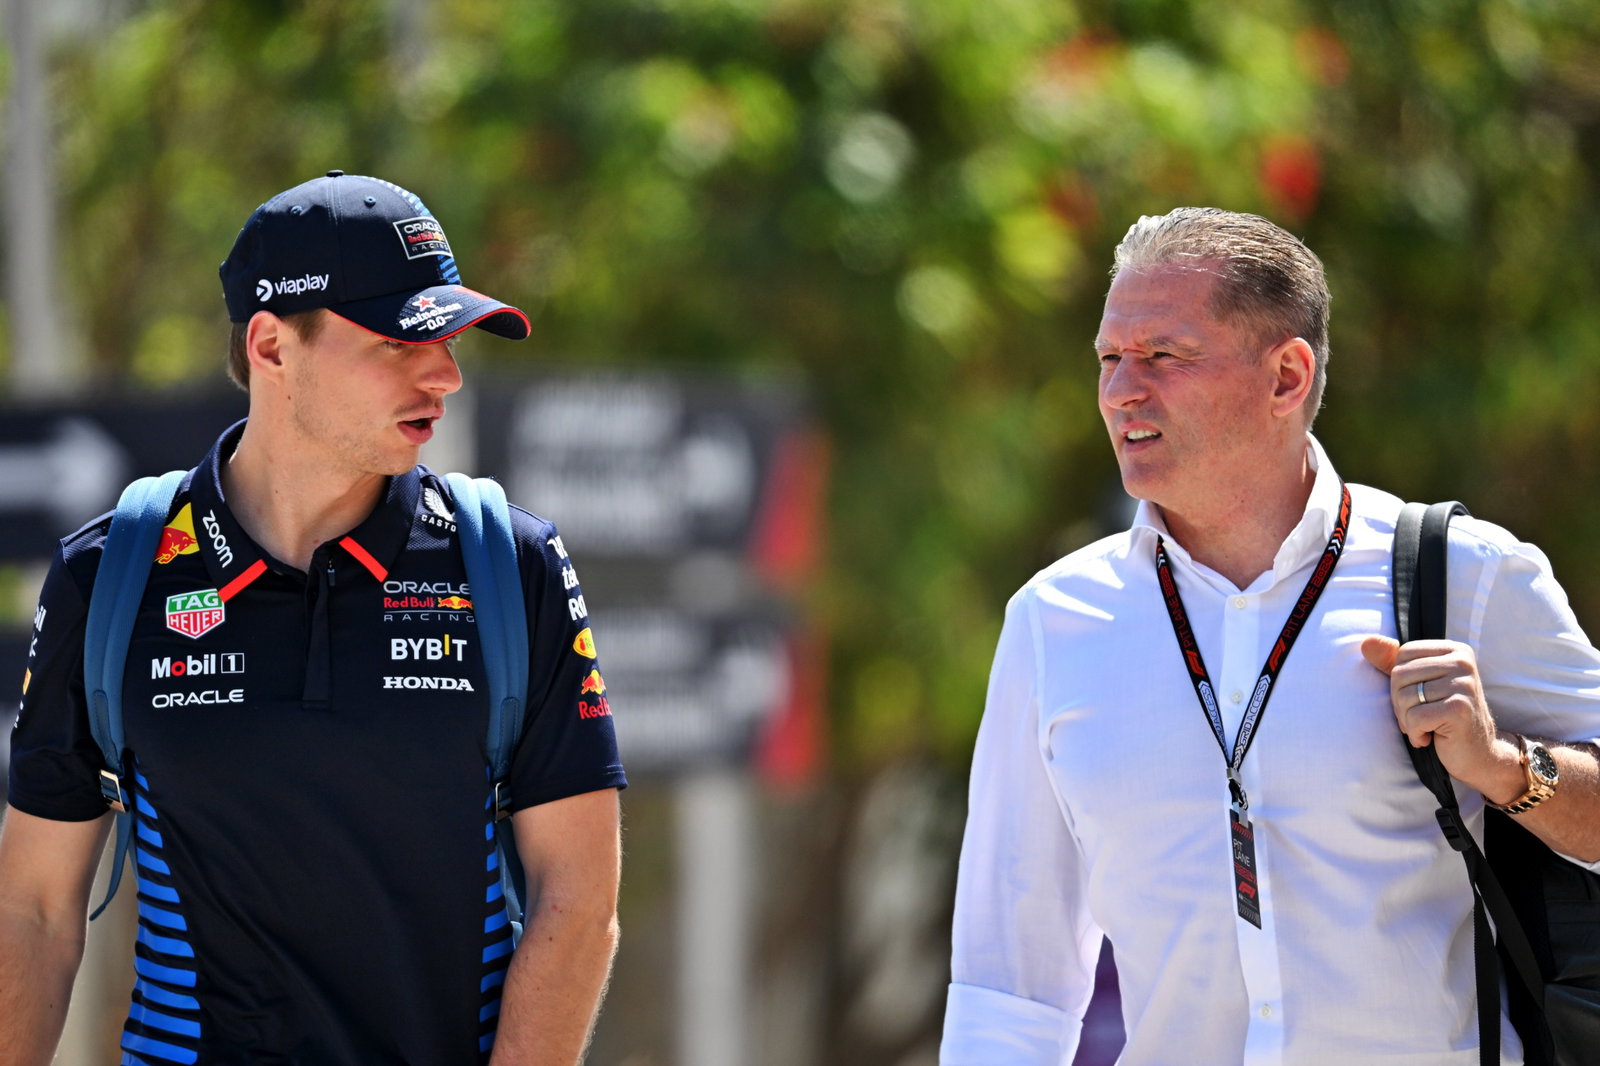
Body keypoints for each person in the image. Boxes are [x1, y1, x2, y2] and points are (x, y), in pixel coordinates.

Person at [940, 207, 1600, 1065]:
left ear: (1287, 376)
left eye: (1163, 356)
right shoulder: (1054, 620)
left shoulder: (1463, 576)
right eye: (1109, 358)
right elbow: (1009, 983)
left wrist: (1508, 769)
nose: (1120, 390)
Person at [0, 171, 627, 1066]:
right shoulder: (110, 576)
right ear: (270, 345)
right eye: (398, 342)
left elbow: (579, 899)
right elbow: (33, 907)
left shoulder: (510, 565)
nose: (444, 375)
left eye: (448, 340)